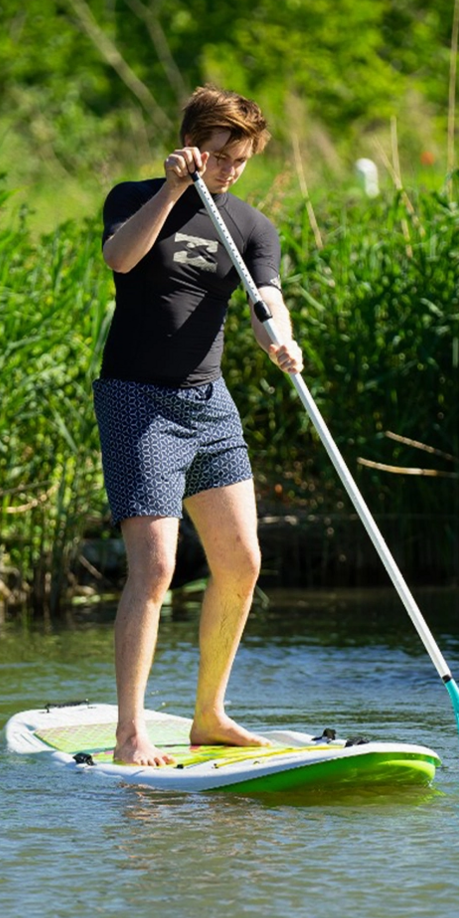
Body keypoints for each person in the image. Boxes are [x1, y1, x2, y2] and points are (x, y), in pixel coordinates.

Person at [95, 84, 304, 767]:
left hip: (208, 404)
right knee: (155, 569)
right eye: (218, 157)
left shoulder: (250, 227)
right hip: (136, 399)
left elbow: (263, 295)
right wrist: (172, 192)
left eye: (240, 161)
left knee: (242, 561)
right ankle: (131, 732)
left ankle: (208, 715)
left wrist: (280, 337)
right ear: (191, 144)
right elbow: (120, 259)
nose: (229, 171)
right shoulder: (131, 198)